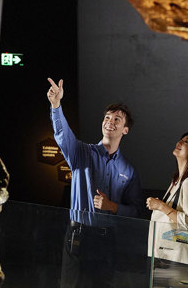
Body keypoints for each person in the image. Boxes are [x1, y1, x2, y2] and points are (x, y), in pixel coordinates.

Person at [47, 78, 143, 288]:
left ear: (125, 130)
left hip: (106, 240)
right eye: (107, 117)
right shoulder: (81, 152)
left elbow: (135, 210)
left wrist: (112, 207)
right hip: (77, 236)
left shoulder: (129, 170)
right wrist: (56, 105)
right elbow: (62, 134)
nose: (110, 121)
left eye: (117, 119)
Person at [146, 131, 188, 265]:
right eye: (181, 139)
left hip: (176, 260)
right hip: (167, 256)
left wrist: (161, 206)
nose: (179, 142)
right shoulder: (177, 181)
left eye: (186, 142)